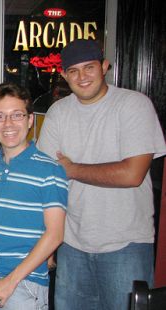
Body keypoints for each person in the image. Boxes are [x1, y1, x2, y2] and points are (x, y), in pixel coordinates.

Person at [37, 39, 166, 310]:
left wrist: (72, 169)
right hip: (71, 243)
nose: (82, 77)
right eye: (73, 71)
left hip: (127, 244)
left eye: (89, 67)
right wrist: (46, 241)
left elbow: (132, 173)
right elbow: (47, 179)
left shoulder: (133, 105)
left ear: (104, 67)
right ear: (63, 75)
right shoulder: (58, 113)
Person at [0, 83, 67, 309]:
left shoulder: (50, 170)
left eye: (16, 115)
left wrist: (11, 280)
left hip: (24, 283)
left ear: (30, 120)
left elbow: (55, 234)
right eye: (0, 116)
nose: (8, 124)